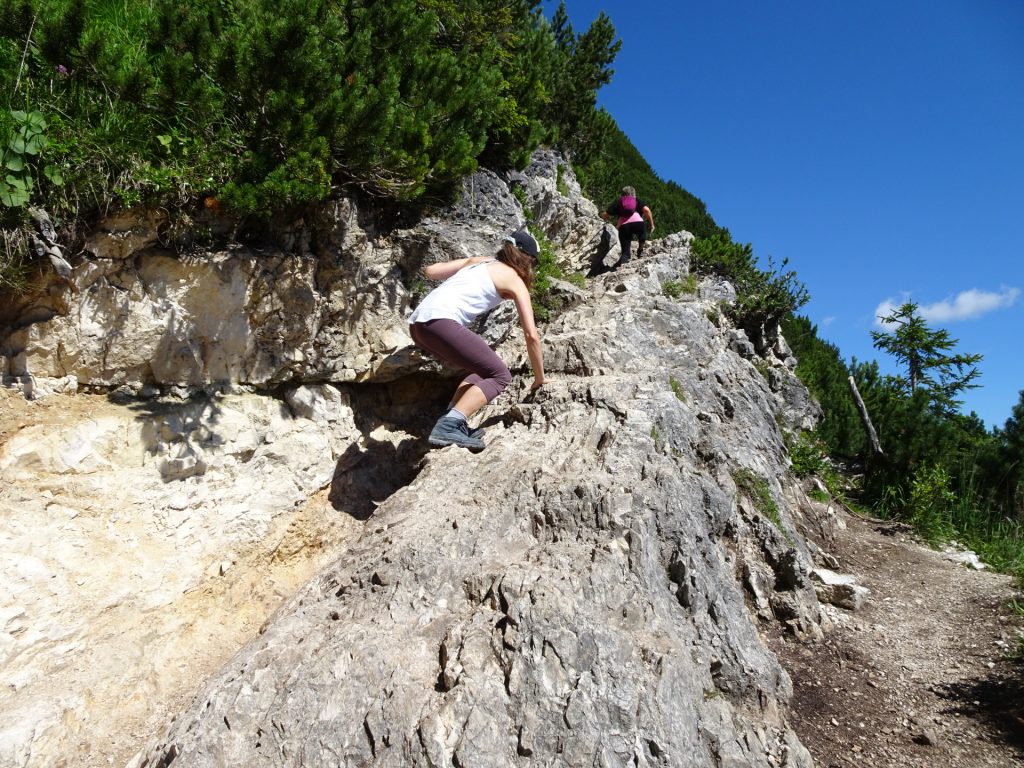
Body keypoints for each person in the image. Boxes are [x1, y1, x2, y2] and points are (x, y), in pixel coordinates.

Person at [409, 230, 550, 450]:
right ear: (528, 259)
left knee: (483, 371)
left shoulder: (479, 262)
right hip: (442, 322)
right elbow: (531, 335)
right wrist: (539, 378)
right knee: (500, 376)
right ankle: (449, 425)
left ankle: (453, 417)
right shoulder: (514, 280)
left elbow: (431, 271)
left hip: (418, 325)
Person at [602, 185, 655, 269]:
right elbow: (647, 210)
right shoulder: (636, 200)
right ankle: (640, 251)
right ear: (634, 193)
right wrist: (651, 224)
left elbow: (606, 214)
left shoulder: (619, 201)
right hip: (638, 223)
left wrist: (605, 220)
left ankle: (624, 261)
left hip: (624, 226)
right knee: (642, 234)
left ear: (622, 194)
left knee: (625, 251)